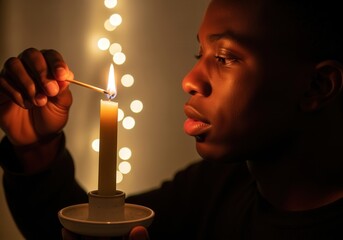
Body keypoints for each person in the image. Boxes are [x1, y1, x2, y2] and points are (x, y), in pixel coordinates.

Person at [1, 0, 343, 239]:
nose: (190, 80)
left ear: (316, 86)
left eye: (224, 57)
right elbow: (74, 230)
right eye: (200, 54)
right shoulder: (215, 188)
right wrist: (35, 147)